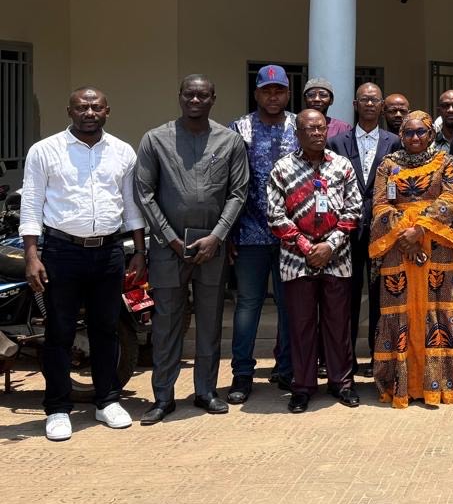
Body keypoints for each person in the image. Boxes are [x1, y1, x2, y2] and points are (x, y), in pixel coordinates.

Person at [19, 87, 146, 441]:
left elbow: (131, 204)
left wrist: (139, 250)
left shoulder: (122, 151)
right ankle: (58, 408)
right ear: (69, 111)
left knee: (106, 329)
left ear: (107, 111)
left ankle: (107, 401)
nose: (89, 112)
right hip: (62, 251)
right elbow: (31, 204)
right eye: (81, 107)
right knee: (59, 332)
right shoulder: (44, 151)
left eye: (95, 107)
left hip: (109, 252)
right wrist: (32, 255)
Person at [134, 75, 249, 424]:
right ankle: (163, 397)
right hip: (167, 247)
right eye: (189, 94)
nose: (195, 100)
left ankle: (206, 391)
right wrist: (170, 238)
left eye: (202, 95)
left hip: (212, 247)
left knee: (210, 322)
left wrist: (217, 237)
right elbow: (144, 193)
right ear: (179, 96)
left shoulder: (229, 141)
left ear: (213, 98)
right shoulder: (155, 139)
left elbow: (238, 193)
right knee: (166, 323)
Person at [267, 109, 363, 413]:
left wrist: (329, 246)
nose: (317, 133)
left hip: (337, 258)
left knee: (338, 324)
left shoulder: (342, 166)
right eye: (310, 129)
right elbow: (275, 215)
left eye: (321, 128)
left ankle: (341, 383)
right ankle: (303, 386)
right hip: (297, 261)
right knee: (301, 326)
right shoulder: (282, 168)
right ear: (297, 133)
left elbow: (354, 210)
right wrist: (308, 247)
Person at [369, 112, 453, 407]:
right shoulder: (388, 164)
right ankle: (401, 385)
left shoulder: (444, 161)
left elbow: (450, 199)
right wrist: (405, 235)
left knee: (437, 308)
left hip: (436, 244)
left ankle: (438, 384)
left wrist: (420, 230)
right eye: (409, 133)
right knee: (398, 308)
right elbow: (380, 204)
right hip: (397, 245)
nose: (414, 137)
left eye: (420, 132)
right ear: (401, 135)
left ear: (430, 134)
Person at [227, 64, 298, 405]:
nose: (273, 96)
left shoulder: (299, 126)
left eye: (279, 90)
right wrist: (228, 232)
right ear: (256, 93)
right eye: (267, 90)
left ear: (288, 93)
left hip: (292, 236)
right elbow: (228, 182)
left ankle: (286, 369)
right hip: (249, 234)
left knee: (289, 306)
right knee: (248, 306)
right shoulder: (239, 128)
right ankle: (241, 373)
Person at [328, 83, 399, 365]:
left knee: (381, 293)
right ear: (355, 105)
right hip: (347, 229)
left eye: (375, 100)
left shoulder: (394, 142)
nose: (370, 104)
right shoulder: (337, 142)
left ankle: (377, 356)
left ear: (382, 106)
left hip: (383, 229)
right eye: (364, 100)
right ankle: (346, 359)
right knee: (348, 294)